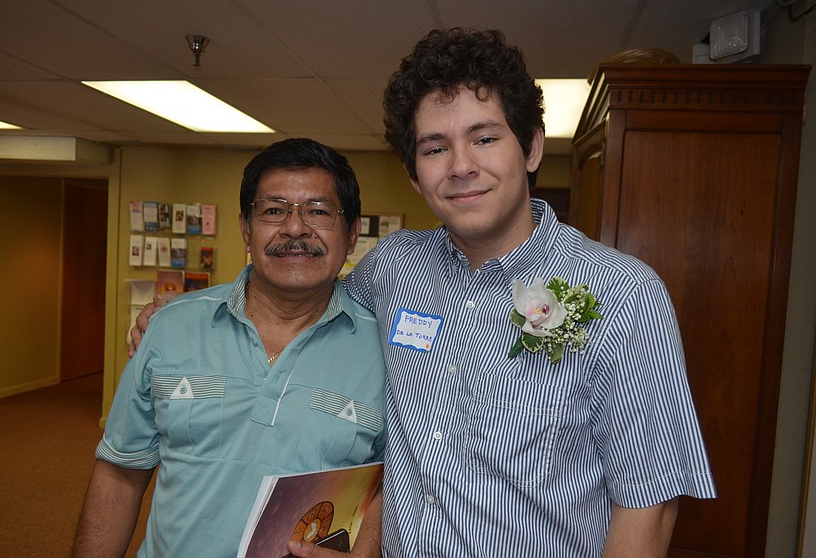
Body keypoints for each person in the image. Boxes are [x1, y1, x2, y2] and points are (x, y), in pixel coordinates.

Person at [133, 28, 716, 557]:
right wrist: (178, 313)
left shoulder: (621, 295)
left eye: (484, 138)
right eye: (435, 148)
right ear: (415, 173)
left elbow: (650, 502)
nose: (460, 166)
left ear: (533, 148)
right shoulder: (393, 268)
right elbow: (304, 303)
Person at [74, 138, 387, 558]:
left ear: (351, 235)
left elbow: (398, 483)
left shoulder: (387, 352)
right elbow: (119, 474)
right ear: (246, 229)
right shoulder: (169, 327)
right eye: (274, 210)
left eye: (318, 211)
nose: (295, 228)